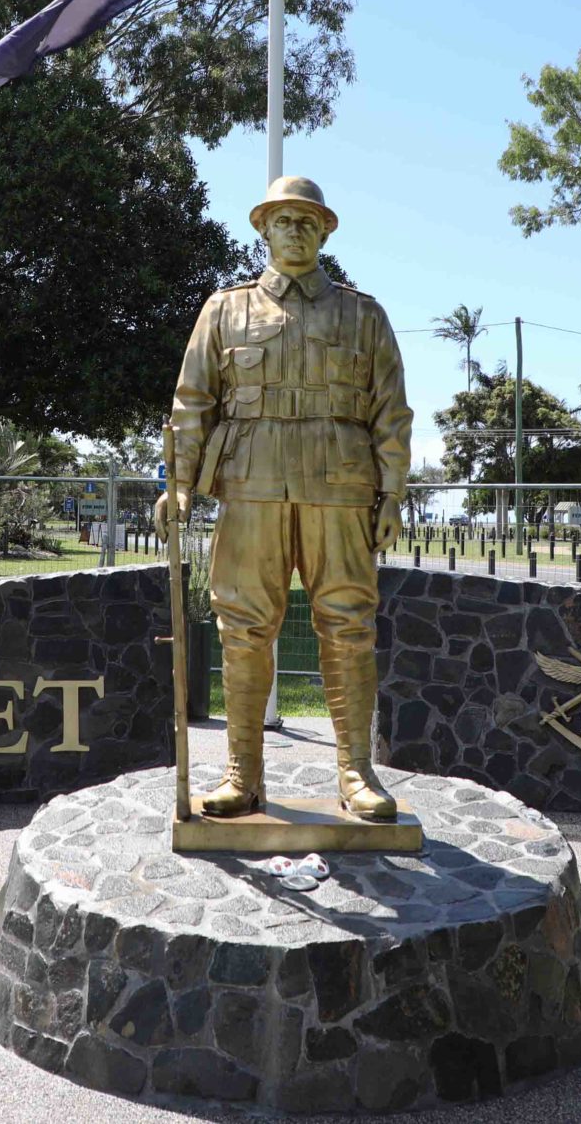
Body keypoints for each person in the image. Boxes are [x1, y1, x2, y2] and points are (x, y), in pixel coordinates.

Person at [156, 176, 412, 819]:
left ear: (324, 231)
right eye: (282, 219)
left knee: (349, 627)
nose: (294, 229)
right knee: (242, 629)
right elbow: (192, 405)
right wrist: (180, 486)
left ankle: (357, 772)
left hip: (341, 489)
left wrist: (393, 493)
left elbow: (391, 413)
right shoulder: (224, 310)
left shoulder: (363, 314)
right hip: (252, 486)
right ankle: (241, 773)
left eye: (306, 219)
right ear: (263, 229)